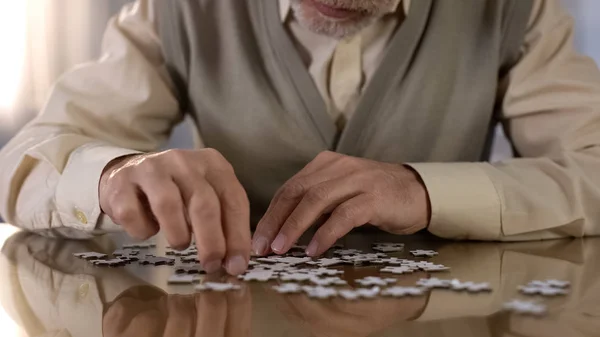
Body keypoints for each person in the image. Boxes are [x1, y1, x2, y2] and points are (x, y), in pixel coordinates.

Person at [1, 0, 600, 276]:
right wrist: (113, 173)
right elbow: (18, 167)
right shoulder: (177, 9)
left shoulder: (517, 10)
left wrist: (425, 189)